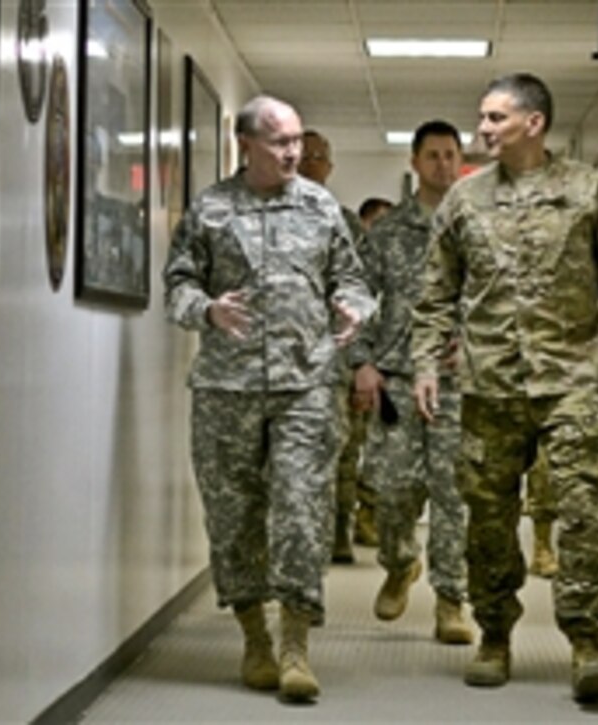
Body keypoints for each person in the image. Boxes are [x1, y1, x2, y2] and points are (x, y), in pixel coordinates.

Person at [410, 73, 598, 703]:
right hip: (490, 384)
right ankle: (494, 634)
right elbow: (435, 294)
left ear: (534, 123)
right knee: (489, 520)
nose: (482, 129)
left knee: (578, 513)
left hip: (571, 377)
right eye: (482, 118)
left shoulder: (587, 191)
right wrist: (425, 364)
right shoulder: (465, 201)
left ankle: (587, 644)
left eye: (494, 118)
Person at [162, 95, 375, 704]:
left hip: (305, 384)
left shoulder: (321, 207)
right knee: (234, 519)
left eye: (298, 140)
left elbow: (353, 278)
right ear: (246, 144)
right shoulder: (209, 209)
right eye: (280, 142)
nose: (294, 152)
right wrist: (206, 309)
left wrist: (354, 308)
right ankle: (253, 636)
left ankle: (295, 647)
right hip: (225, 391)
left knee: (302, 510)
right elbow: (176, 283)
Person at [349, 120, 472, 645]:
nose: (443, 165)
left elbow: (502, 297)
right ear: (415, 162)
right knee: (393, 492)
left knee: (454, 495)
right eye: (434, 156)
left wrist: (474, 340)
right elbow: (353, 298)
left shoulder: (476, 224)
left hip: (456, 381)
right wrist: (360, 361)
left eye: (451, 155)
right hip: (397, 379)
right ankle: (401, 565)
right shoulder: (388, 233)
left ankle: (451, 601)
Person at [297, 128, 367, 565]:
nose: (307, 163)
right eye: (301, 155)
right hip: (283, 365)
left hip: (336, 361)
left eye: (317, 157)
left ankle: (339, 529)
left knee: (342, 453)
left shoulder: (347, 224)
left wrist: (363, 363)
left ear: (329, 167)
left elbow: (365, 294)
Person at [351, 194, 395, 547]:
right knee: (349, 448)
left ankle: (369, 515)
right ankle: (344, 526)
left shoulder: (398, 260)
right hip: (353, 366)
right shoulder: (352, 263)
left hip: (389, 367)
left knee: (379, 450)